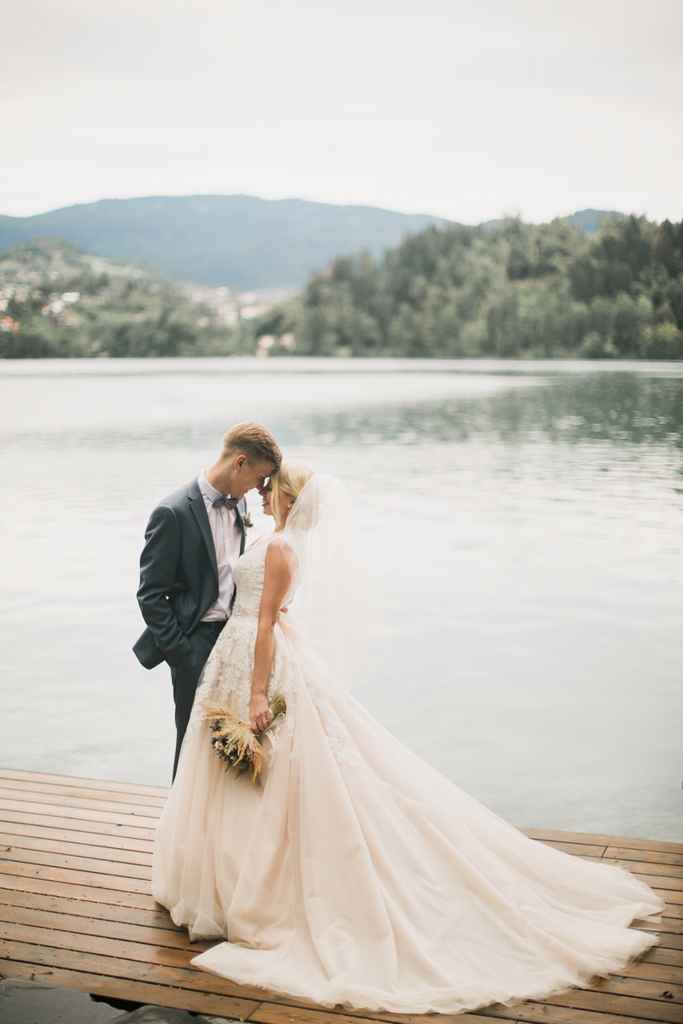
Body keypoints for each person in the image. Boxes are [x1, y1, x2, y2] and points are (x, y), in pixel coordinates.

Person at [151, 462, 665, 1015]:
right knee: (256, 774)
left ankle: (248, 890)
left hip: (258, 661)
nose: (261, 493)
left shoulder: (279, 549)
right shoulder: (280, 541)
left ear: (286, 497)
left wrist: (256, 695)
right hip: (245, 655)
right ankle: (227, 880)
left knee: (273, 769)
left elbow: (267, 622)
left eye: (270, 488)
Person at [133, 422, 281, 779]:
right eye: (258, 478)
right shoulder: (173, 512)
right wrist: (181, 653)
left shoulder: (241, 503)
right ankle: (179, 830)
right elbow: (150, 593)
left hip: (236, 641)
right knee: (191, 740)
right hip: (194, 641)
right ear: (240, 463)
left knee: (233, 738)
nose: (259, 489)